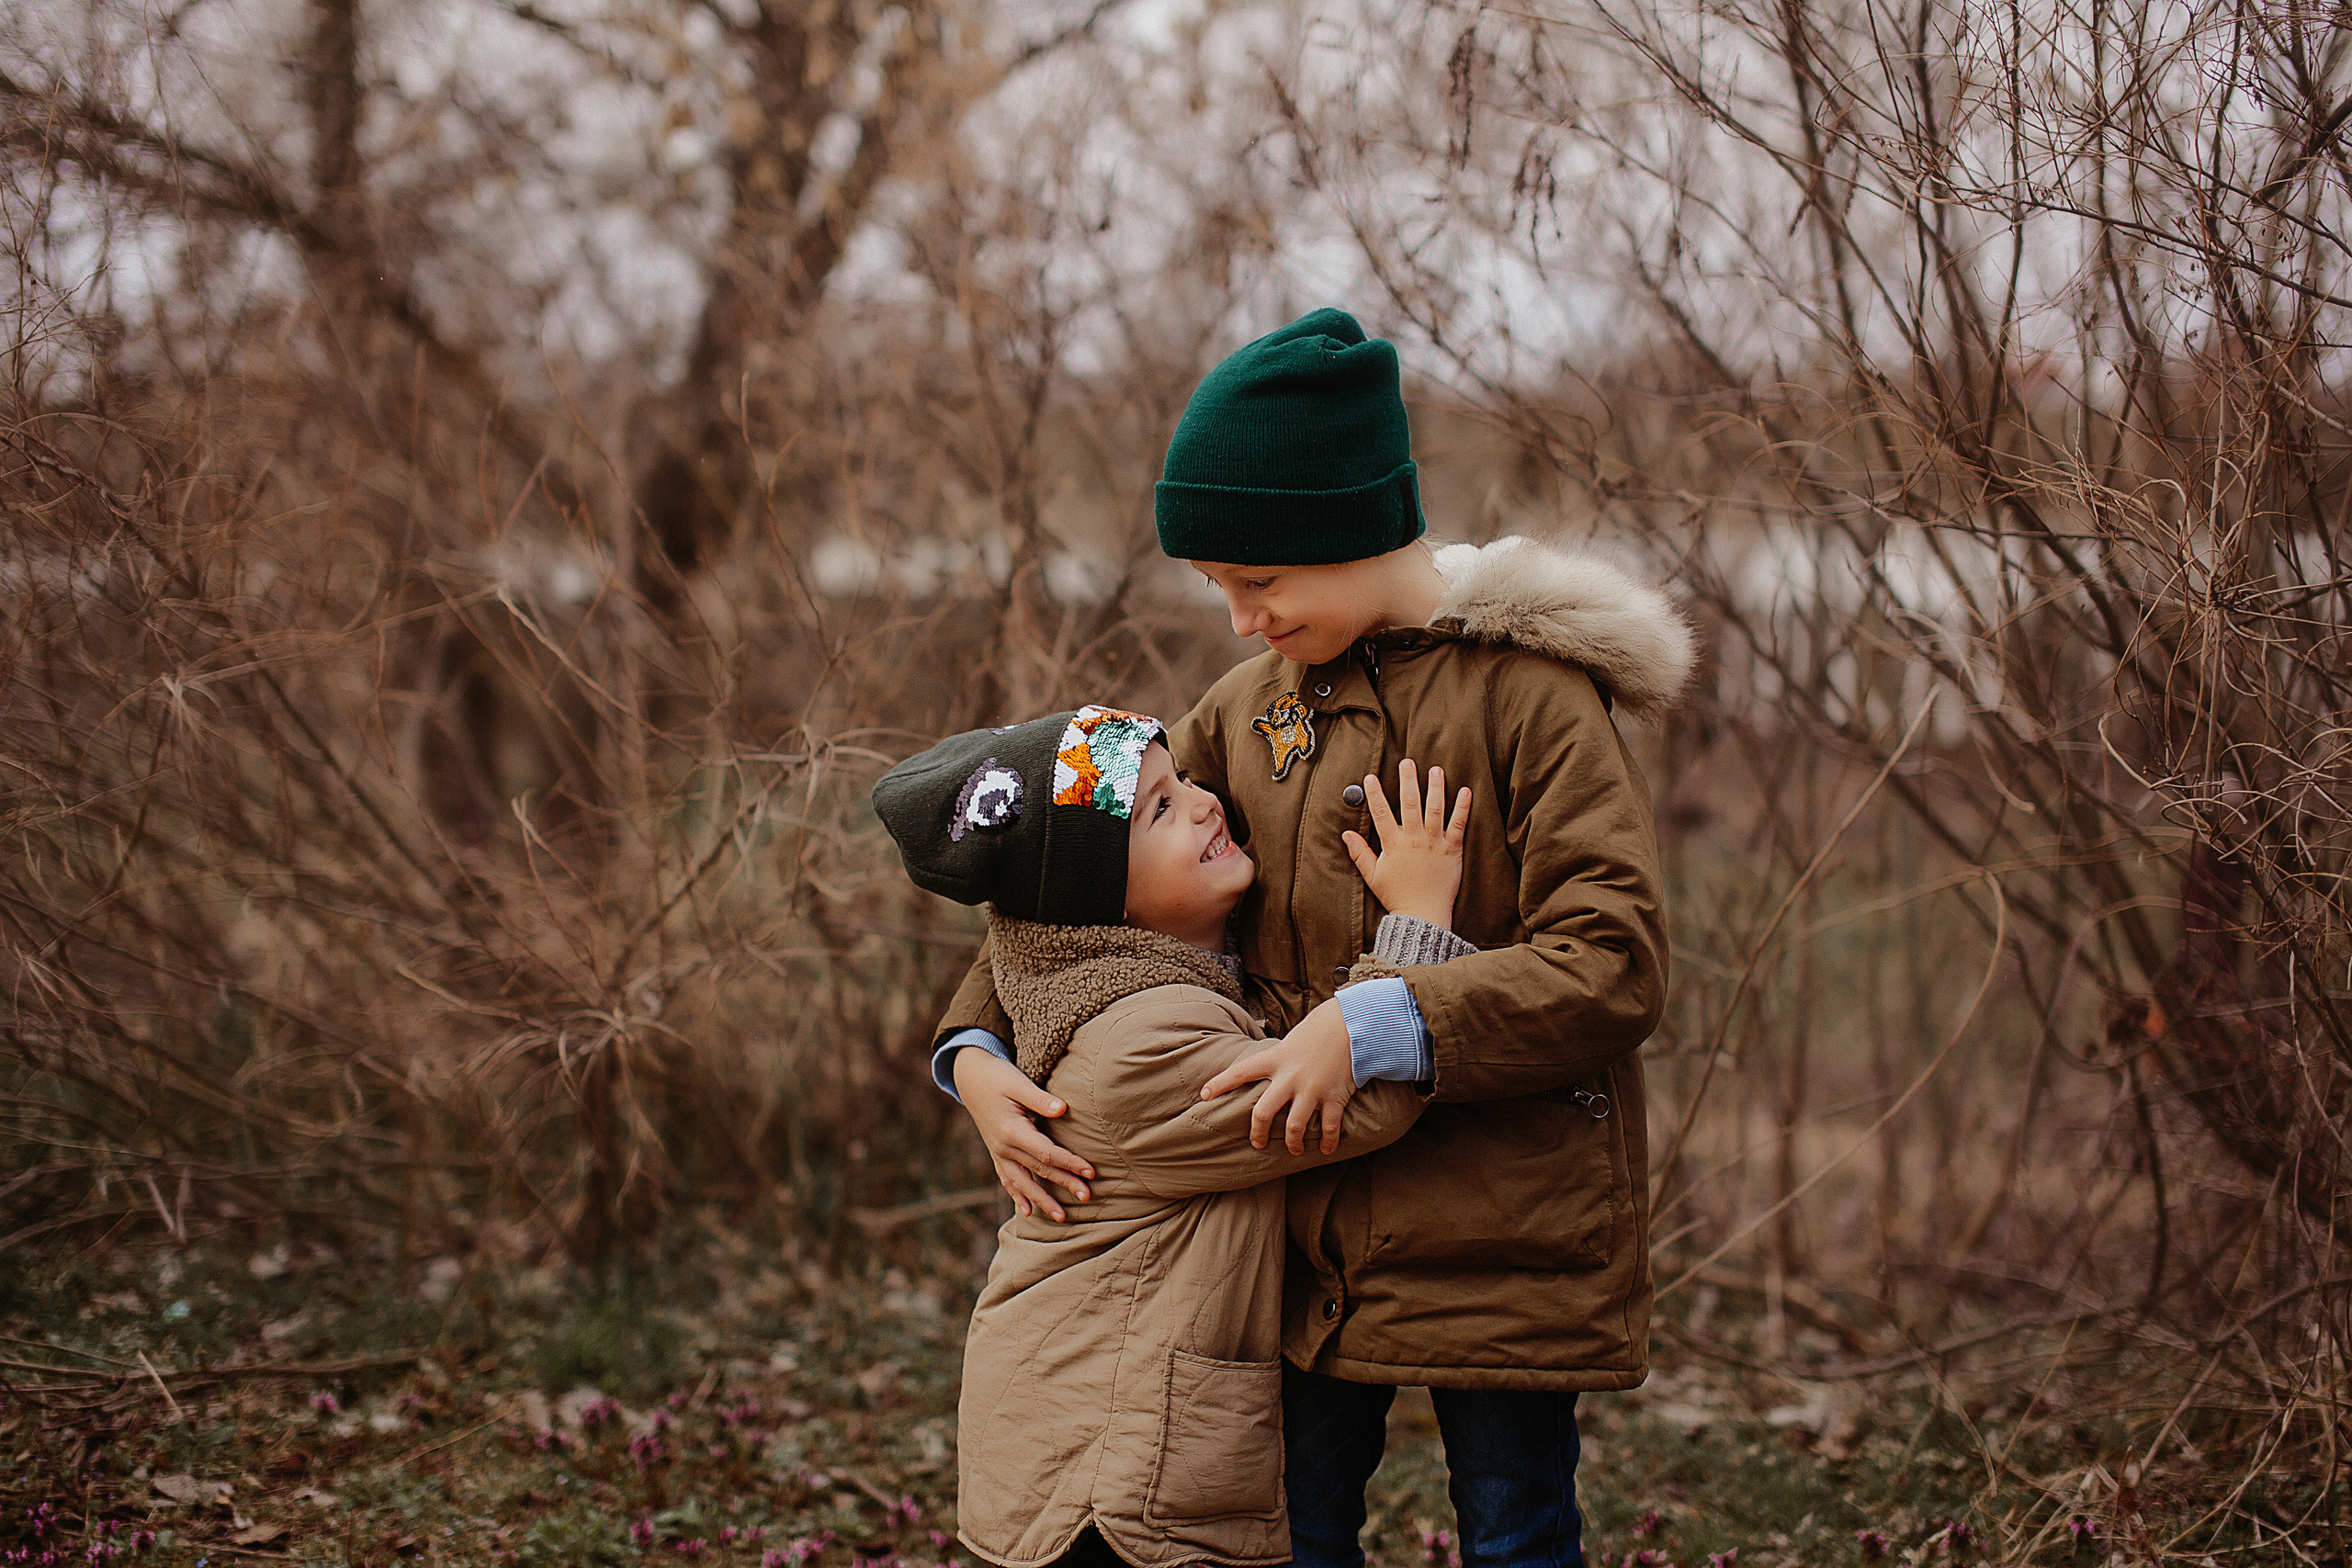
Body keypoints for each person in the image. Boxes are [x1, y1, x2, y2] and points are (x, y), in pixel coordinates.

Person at [930, 310, 1693, 1568]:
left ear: (1342, 530)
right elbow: (1080, 882)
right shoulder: (1246, 711)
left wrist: (1381, 1017)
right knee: (1292, 1528)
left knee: (1517, 1529)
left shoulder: (1537, 702)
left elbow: (1613, 959)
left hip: (1503, 1231)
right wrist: (976, 1047)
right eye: (1221, 590)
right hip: (1300, 1231)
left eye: (1257, 583)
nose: (1237, 621)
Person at [872, 704, 1480, 1568]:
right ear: (1100, 901)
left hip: (1096, 1428)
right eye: (1161, 807)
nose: (1204, 802)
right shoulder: (1141, 1044)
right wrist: (1419, 923)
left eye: (1186, 781)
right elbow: (1349, 1104)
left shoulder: (1125, 988)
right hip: (1110, 1464)